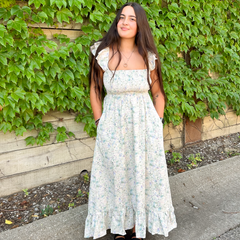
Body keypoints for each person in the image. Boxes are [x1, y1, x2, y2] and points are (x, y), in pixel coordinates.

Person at [84, 2, 177, 240]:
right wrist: (99, 123)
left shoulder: (148, 57)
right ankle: (119, 225)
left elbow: (158, 93)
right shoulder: (102, 53)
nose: (125, 22)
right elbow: (95, 90)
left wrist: (157, 122)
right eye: (122, 17)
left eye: (132, 19)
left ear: (140, 25)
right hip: (113, 126)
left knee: (142, 174)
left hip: (145, 126)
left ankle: (137, 227)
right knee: (116, 173)